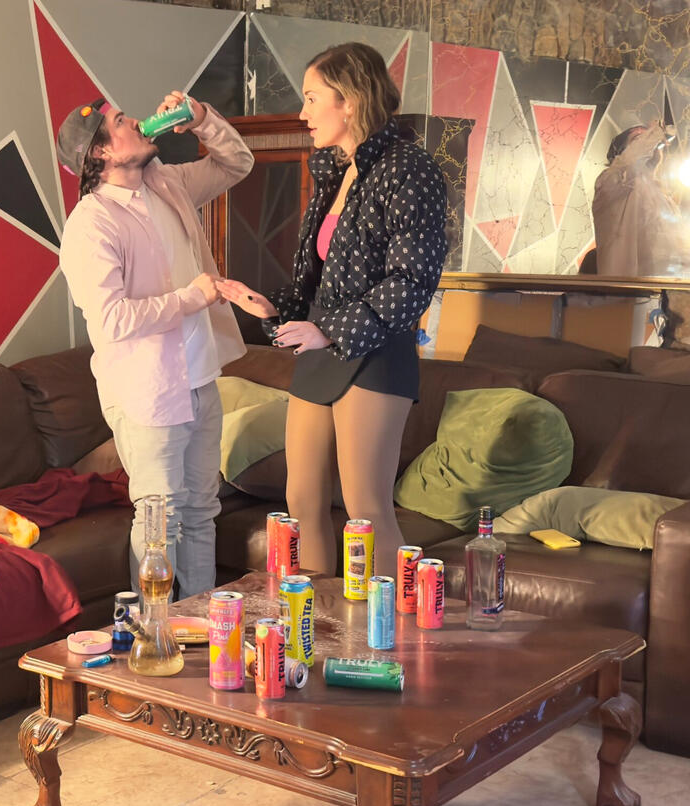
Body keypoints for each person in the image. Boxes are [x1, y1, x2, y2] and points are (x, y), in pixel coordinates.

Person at [216, 43, 448, 577]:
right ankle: (320, 631)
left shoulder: (410, 169)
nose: (302, 113)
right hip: (324, 353)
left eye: (312, 97)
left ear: (349, 101)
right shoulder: (334, 172)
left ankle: (389, 638)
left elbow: (414, 281)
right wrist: (271, 309)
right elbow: (317, 284)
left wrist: (327, 330)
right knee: (301, 500)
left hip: (375, 353)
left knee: (365, 508)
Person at [57, 90, 272, 597]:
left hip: (201, 378)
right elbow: (111, 319)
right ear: (101, 154)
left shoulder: (167, 184)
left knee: (201, 510)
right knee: (159, 520)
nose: (138, 122)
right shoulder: (91, 223)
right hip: (146, 392)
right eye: (121, 122)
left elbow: (237, 161)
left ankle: (198, 635)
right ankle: (155, 638)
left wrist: (200, 119)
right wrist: (190, 298)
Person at [591, 122, 682, 277]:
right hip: (629, 289)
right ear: (620, 153)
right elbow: (629, 165)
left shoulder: (664, 198)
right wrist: (655, 134)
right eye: (637, 139)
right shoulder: (611, 180)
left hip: (669, 288)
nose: (649, 143)